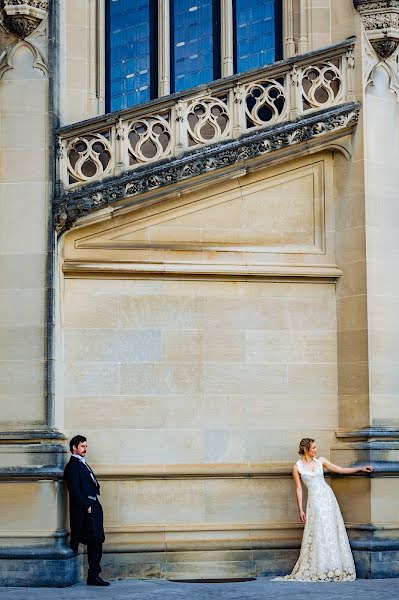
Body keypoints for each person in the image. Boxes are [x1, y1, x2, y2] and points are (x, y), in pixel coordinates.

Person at [275, 437, 373, 582]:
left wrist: (359, 468)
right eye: (313, 448)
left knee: (331, 529)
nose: (316, 450)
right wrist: (300, 510)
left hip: (328, 499)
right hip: (314, 502)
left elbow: (339, 470)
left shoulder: (321, 461)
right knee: (319, 531)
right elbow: (299, 489)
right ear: (306, 449)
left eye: (316, 447)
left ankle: (334, 565)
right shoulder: (297, 467)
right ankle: (321, 566)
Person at [63, 434, 110, 587]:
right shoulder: (72, 466)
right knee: (95, 540)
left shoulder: (81, 464)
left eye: (86, 446)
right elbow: (74, 489)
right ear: (74, 448)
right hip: (86, 509)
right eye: (82, 446)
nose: (85, 449)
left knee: (97, 540)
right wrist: (87, 506)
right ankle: (93, 576)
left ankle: (94, 575)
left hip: (93, 505)